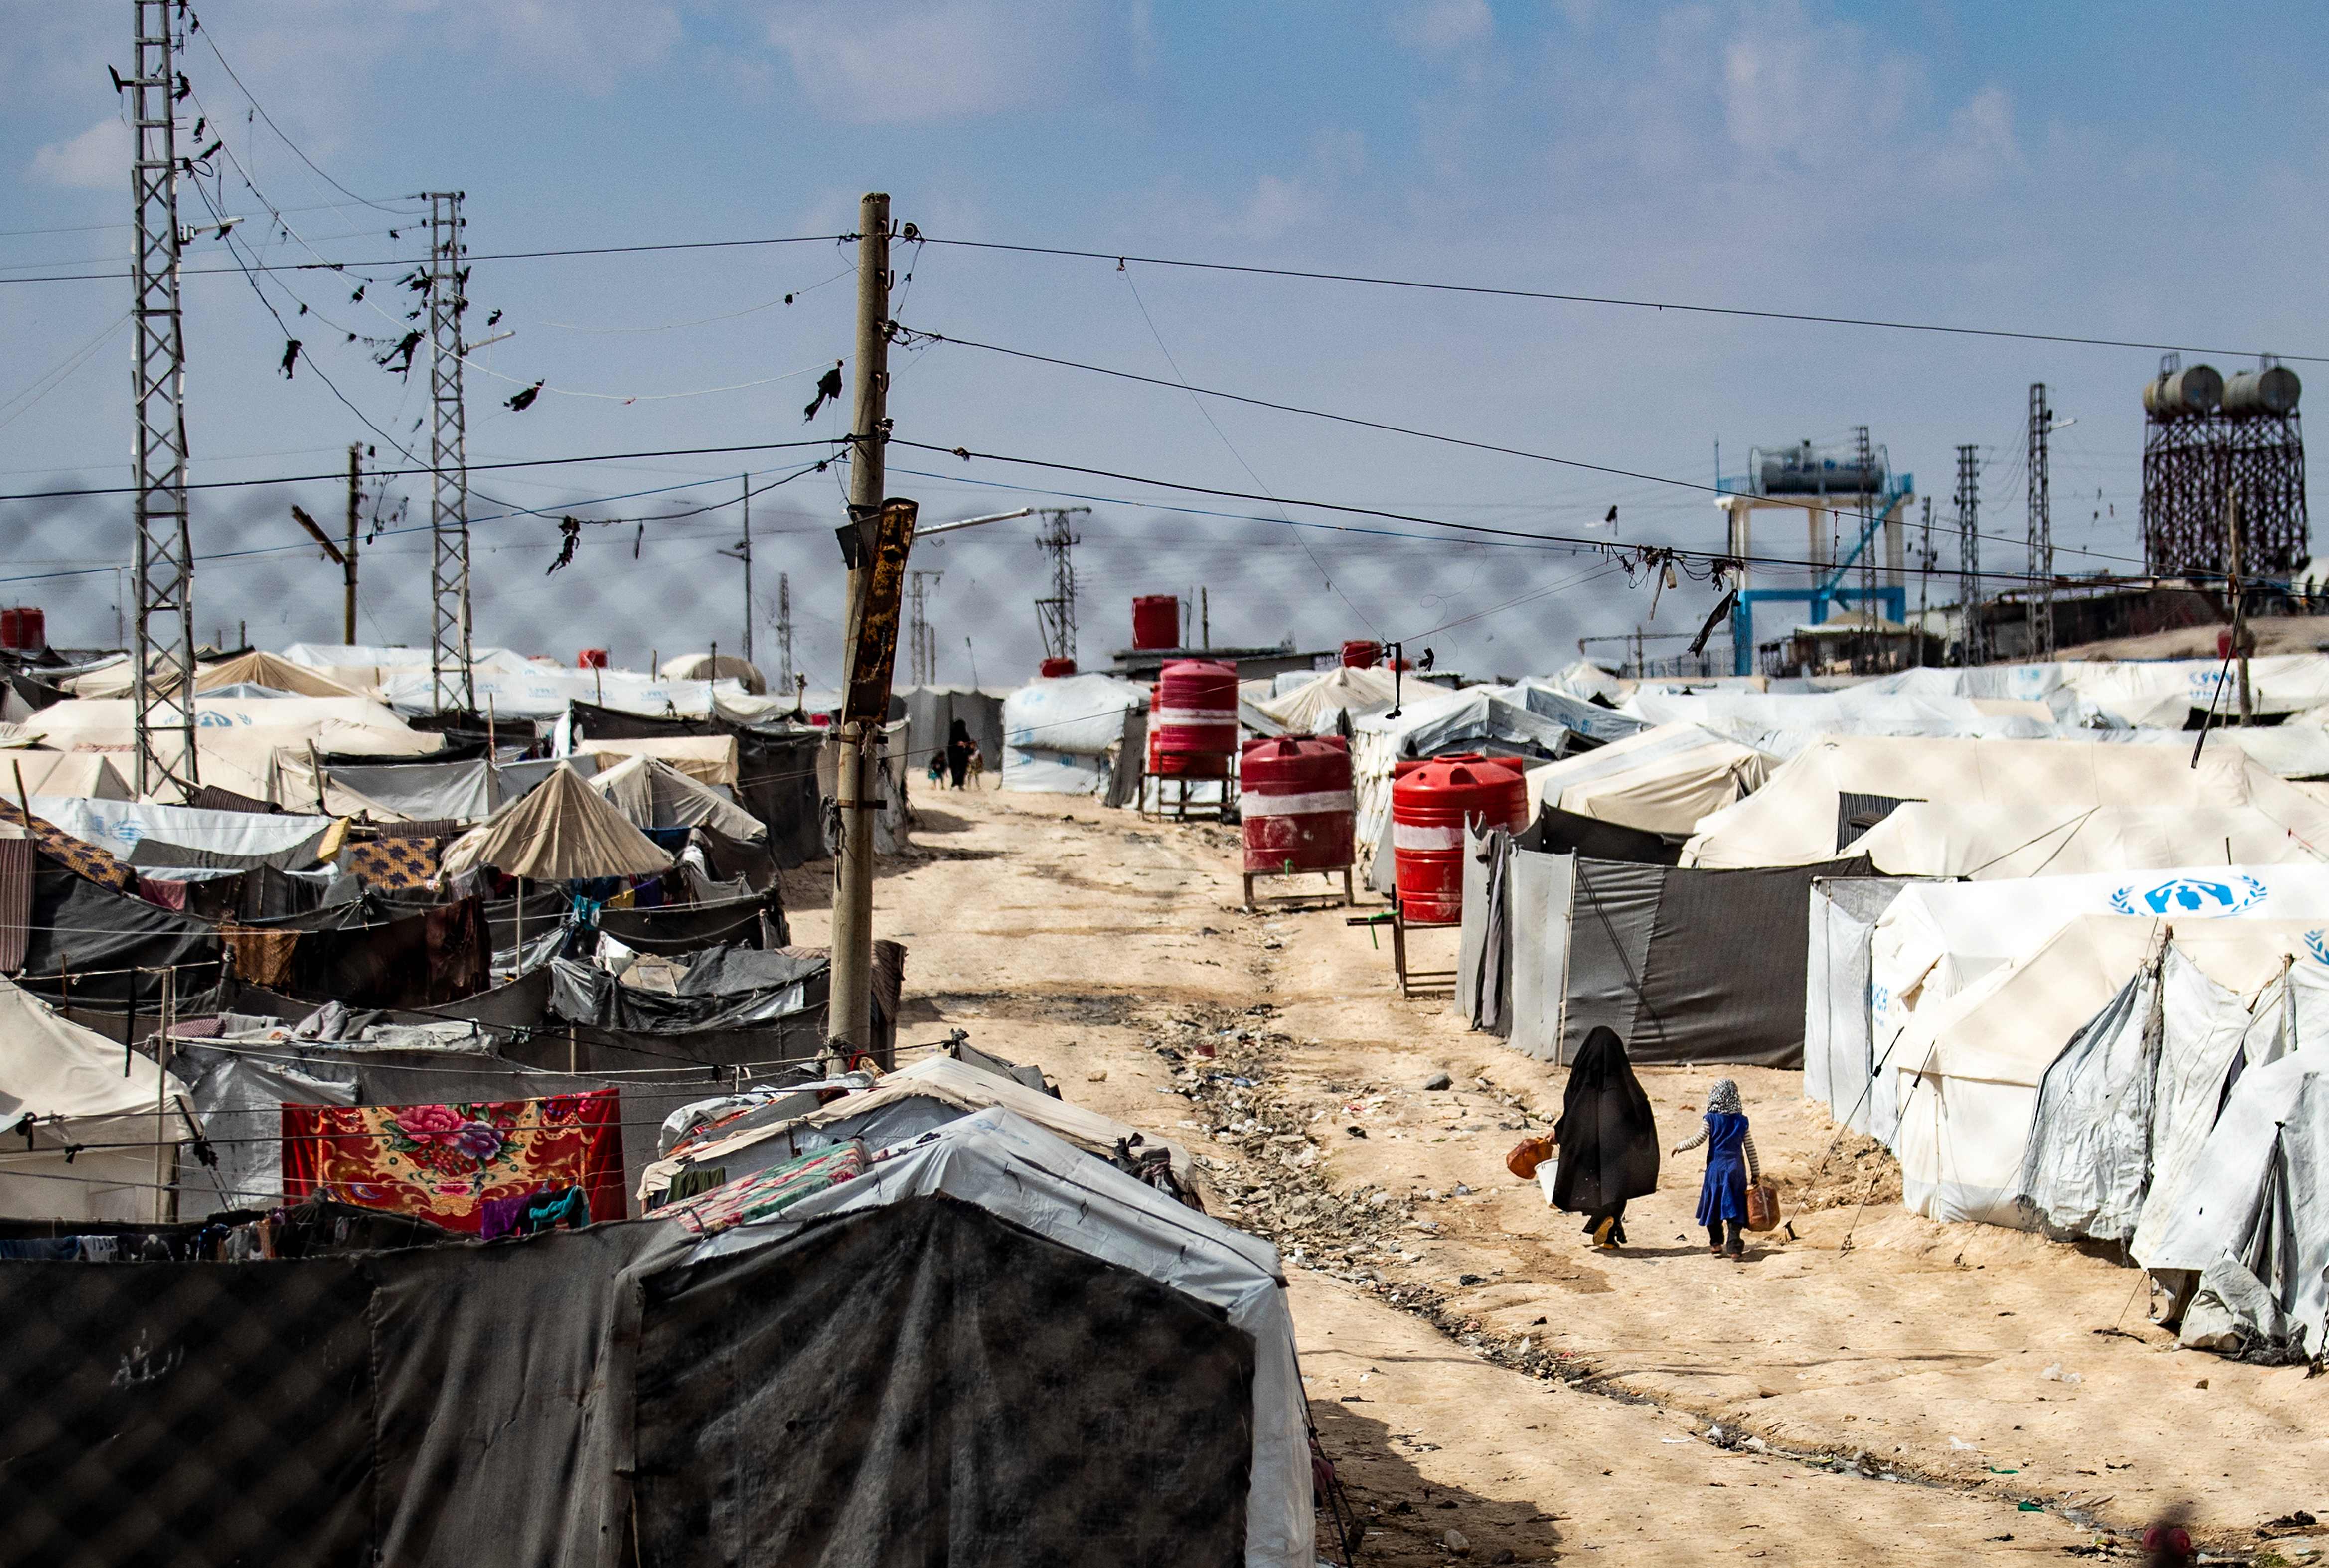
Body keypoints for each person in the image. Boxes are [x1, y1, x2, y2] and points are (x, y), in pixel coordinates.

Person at [1549, 1026, 1660, 1249]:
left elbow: (1573, 1111)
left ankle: (1604, 1225)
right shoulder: (1624, 1082)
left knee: (1594, 1185)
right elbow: (1641, 1106)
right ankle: (1608, 1230)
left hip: (1589, 1146)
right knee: (1618, 1185)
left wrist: (1559, 1131)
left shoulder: (1584, 1083)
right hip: (1618, 1149)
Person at [1673, 1078, 1761, 1259]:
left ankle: (1716, 1243)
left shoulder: (1711, 1119)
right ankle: (1735, 1248)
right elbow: (1751, 1149)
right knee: (1735, 1207)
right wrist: (1756, 1174)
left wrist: (1680, 1146)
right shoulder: (1742, 1121)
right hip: (1736, 1171)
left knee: (1713, 1206)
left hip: (1715, 1171)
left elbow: (1698, 1140)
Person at [946, 718, 977, 790]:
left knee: (962, 770)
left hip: (963, 756)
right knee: (955, 770)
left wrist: (966, 745)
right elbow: (951, 746)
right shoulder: (953, 735)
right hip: (954, 755)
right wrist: (957, 744)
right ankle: (955, 784)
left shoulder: (966, 735)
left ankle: (960, 784)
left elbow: (969, 746)